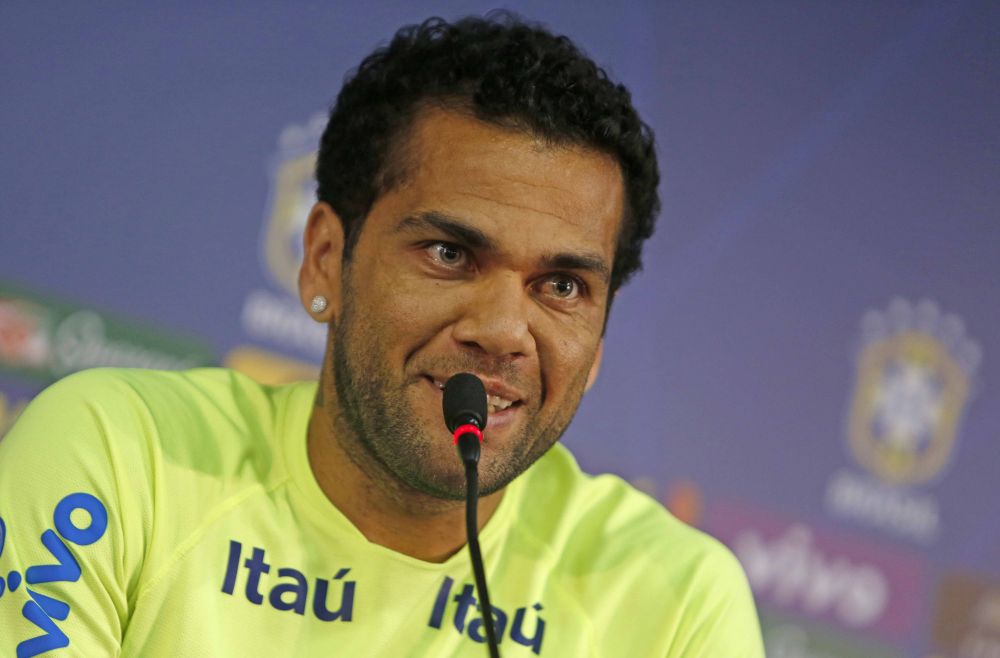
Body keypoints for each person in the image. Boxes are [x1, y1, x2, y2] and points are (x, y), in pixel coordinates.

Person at [0, 14, 764, 657]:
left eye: (562, 286)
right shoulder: (119, 456)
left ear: (599, 339)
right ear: (325, 258)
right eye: (449, 254)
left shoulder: (674, 604)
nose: (503, 331)